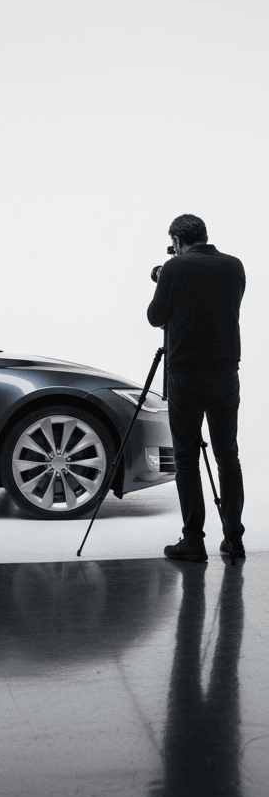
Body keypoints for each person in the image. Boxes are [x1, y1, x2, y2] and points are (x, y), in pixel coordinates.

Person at [148, 214, 245, 563]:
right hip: (224, 373)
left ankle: (193, 540)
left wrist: (165, 277)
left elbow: (156, 316)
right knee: (227, 455)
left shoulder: (174, 269)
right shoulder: (234, 266)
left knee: (186, 459)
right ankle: (234, 536)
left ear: (176, 239)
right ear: (204, 235)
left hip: (186, 375)